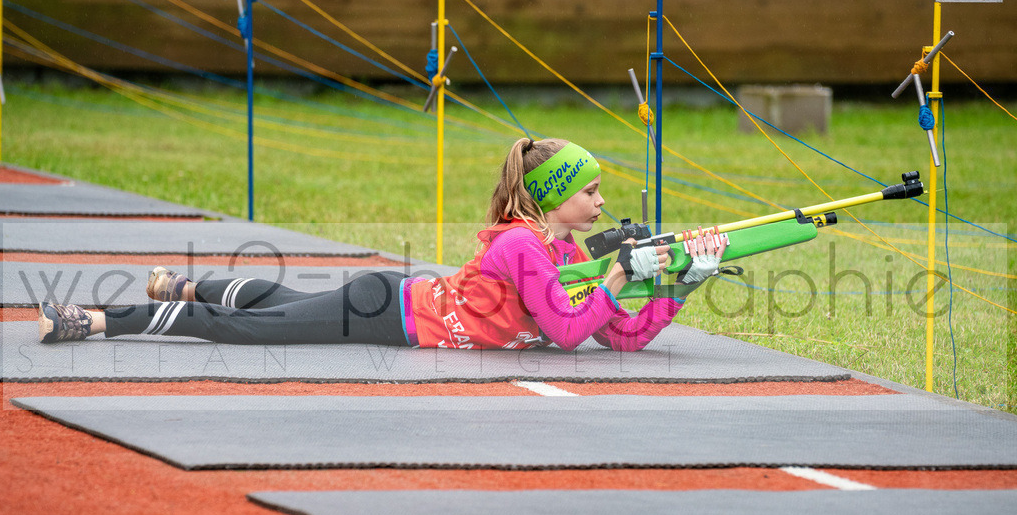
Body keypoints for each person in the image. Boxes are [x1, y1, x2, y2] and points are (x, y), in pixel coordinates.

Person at [36, 138, 726, 350]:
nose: (601, 204)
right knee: (252, 328)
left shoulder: (571, 256)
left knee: (282, 302)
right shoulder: (524, 248)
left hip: (392, 304)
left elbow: (622, 337)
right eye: (590, 193)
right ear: (552, 197)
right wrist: (620, 278)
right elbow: (569, 331)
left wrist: (680, 281)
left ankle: (185, 284)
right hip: (386, 309)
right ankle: (97, 319)